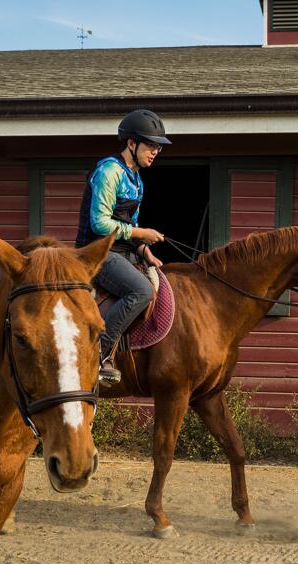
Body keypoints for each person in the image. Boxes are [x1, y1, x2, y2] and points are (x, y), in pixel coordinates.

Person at [75, 109, 170, 386]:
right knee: (141, 290)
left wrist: (143, 250)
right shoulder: (109, 171)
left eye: (158, 147)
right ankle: (100, 353)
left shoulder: (137, 179)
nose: (155, 152)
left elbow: (130, 224)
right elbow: (100, 223)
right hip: (95, 252)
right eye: (150, 145)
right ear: (131, 143)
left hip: (121, 251)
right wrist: (142, 233)